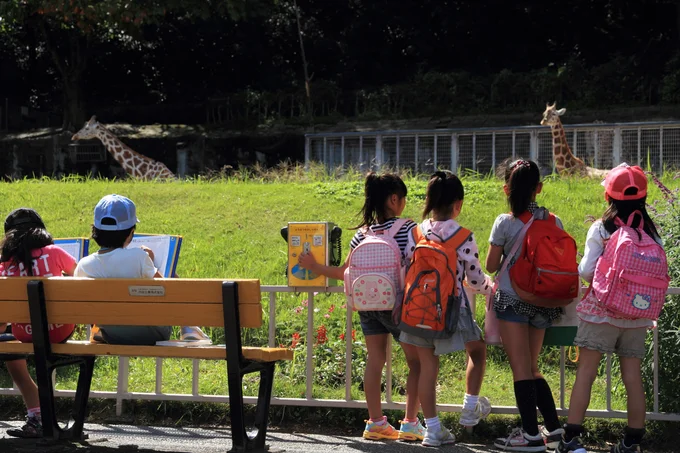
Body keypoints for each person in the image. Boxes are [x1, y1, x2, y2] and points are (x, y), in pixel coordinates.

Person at [298, 172, 425, 441]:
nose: (403, 203)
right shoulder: (408, 228)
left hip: (367, 303)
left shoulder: (361, 234)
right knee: (416, 364)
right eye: (402, 198)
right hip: (398, 305)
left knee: (375, 360)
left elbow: (345, 271)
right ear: (394, 199)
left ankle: (376, 422)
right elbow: (418, 264)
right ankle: (411, 423)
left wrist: (313, 267)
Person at [556, 164, 661, 453]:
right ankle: (631, 442)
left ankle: (570, 439)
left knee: (586, 373)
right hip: (638, 315)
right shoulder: (652, 232)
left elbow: (587, 270)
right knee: (632, 376)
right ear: (644, 197)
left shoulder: (601, 228)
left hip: (602, 310)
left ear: (608, 197)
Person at [398, 170, 492, 447]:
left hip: (417, 307)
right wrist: (490, 288)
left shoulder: (415, 232)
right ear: (458, 204)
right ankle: (468, 410)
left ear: (428, 200)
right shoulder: (463, 236)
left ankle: (433, 430)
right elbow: (474, 278)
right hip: (453, 308)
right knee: (477, 350)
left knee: (428, 366)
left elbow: (407, 268)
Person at [486, 159, 564, 451]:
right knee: (532, 367)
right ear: (539, 189)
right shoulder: (553, 221)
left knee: (520, 369)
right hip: (544, 301)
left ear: (507, 188)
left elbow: (492, 265)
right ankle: (554, 430)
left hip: (512, 300)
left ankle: (531, 435)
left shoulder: (504, 222)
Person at [0, 208, 78, 438]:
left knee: (9, 347)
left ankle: (36, 415)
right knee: (10, 350)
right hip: (60, 330)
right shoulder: (54, 252)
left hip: (24, 333)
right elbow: (80, 277)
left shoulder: (6, 266)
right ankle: (38, 416)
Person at [74, 194, 174, 345]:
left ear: (95, 231)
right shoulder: (139, 257)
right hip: (152, 333)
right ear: (130, 233)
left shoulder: (83, 265)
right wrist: (151, 262)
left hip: (110, 333)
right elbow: (165, 290)